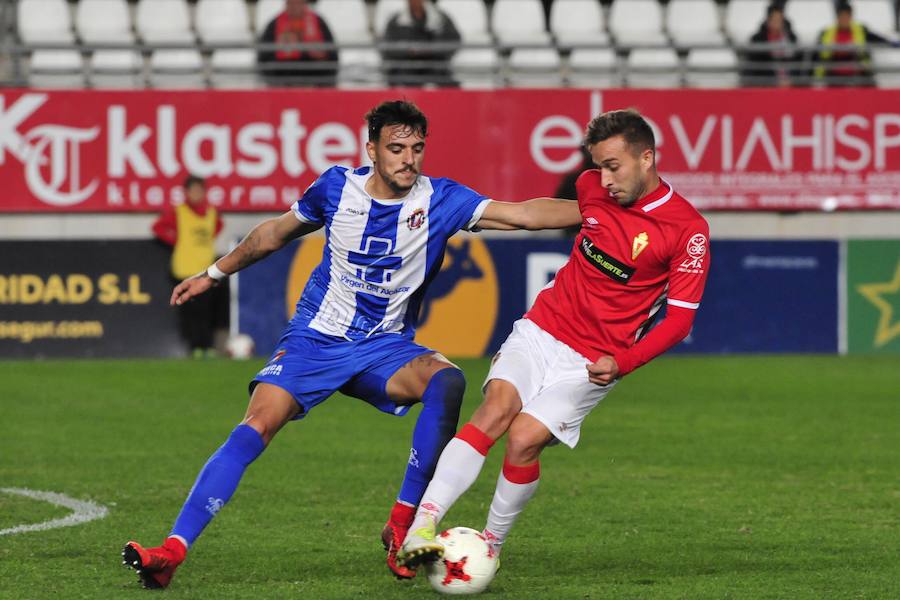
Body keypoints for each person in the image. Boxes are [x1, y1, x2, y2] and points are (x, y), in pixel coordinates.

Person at [121, 100, 581, 589]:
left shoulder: (441, 200)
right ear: (372, 149)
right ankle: (172, 551)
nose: (409, 159)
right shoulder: (336, 188)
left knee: (447, 380)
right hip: (315, 340)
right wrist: (214, 273)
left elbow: (525, 214)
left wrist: (604, 209)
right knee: (255, 425)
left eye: (417, 149)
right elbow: (273, 234)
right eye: (397, 148)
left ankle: (402, 526)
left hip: (385, 347)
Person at [398, 109, 711, 571]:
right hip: (542, 329)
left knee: (524, 439)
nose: (603, 179)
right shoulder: (590, 188)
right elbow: (552, 210)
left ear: (647, 158)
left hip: (592, 361)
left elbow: (678, 322)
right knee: (497, 409)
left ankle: (491, 545)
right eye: (598, 166)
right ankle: (422, 526)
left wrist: (623, 362)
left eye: (613, 166)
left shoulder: (688, 231)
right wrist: (488, 217)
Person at [151, 175, 224, 358]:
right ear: (186, 192)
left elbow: (218, 227)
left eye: (199, 190)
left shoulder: (211, 213)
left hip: (206, 270)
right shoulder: (179, 212)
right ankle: (195, 347)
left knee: (207, 311)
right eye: (193, 191)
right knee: (190, 312)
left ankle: (207, 346)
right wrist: (177, 240)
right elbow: (158, 227)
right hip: (184, 269)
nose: (196, 194)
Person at [257, 0, 338, 87]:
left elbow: (333, 55)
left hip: (315, 81)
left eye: (299, 3)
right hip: (283, 81)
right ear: (286, 4)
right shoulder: (274, 25)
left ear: (305, 4)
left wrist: (321, 55)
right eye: (291, 3)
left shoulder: (319, 23)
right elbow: (263, 57)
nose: (295, 7)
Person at [381, 0, 461, 87]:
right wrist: (408, 50)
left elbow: (454, 40)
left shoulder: (441, 19)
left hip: (435, 69)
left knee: (448, 83)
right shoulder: (396, 21)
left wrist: (431, 49)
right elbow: (387, 48)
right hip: (405, 71)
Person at [814, 1, 892, 87]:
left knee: (869, 81)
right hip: (834, 73)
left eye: (847, 16)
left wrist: (892, 43)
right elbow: (816, 51)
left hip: (858, 71)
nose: (844, 19)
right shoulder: (827, 32)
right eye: (842, 16)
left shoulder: (860, 30)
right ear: (837, 17)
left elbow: (877, 39)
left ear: (851, 16)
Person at [742, 3, 801, 87]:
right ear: (768, 21)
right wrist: (774, 81)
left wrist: (792, 80)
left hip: (790, 84)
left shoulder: (791, 38)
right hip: (766, 85)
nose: (778, 23)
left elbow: (798, 62)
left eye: (780, 20)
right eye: (775, 20)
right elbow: (756, 67)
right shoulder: (757, 40)